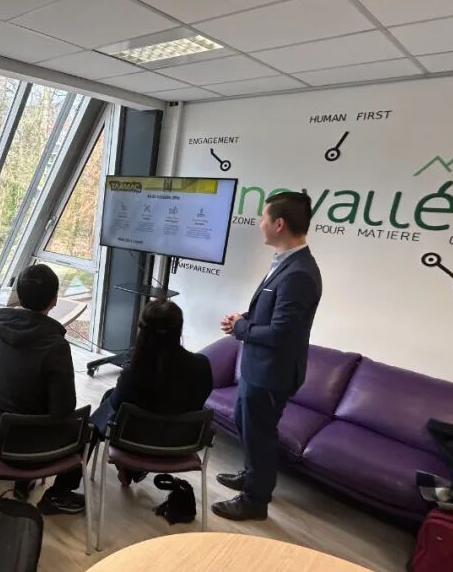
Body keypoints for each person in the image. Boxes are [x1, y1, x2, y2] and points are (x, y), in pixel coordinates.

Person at [212, 191, 323, 521]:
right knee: (247, 425)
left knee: (260, 434)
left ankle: (255, 500)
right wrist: (244, 318)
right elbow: (271, 313)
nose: (259, 223)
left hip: (271, 373)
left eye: (263, 217)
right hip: (257, 367)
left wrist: (241, 329)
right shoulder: (286, 262)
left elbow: (280, 333)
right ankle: (252, 475)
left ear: (279, 224)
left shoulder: (300, 273)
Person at [0, 263, 85, 515]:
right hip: (36, 446)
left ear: (19, 296)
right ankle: (58, 495)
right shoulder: (56, 345)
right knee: (86, 427)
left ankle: (24, 482)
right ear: (54, 301)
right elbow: (64, 409)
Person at [90, 299, 213, 485]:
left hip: (134, 443)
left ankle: (68, 480)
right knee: (114, 398)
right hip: (180, 444)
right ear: (179, 330)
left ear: (142, 330)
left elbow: (115, 406)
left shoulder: (134, 373)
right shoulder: (202, 365)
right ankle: (132, 469)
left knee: (108, 401)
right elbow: (199, 400)